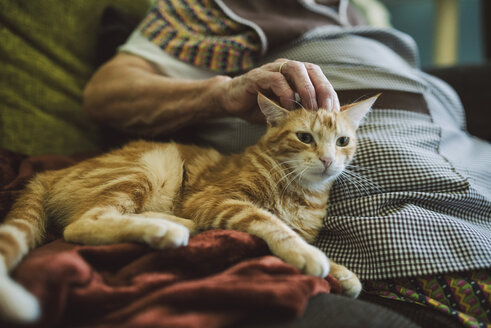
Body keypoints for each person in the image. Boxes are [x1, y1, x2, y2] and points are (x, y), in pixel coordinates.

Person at [83, 1, 491, 327]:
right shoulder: (215, 8)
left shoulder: (362, 11)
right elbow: (105, 94)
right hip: (396, 200)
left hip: (471, 162)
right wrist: (223, 94)